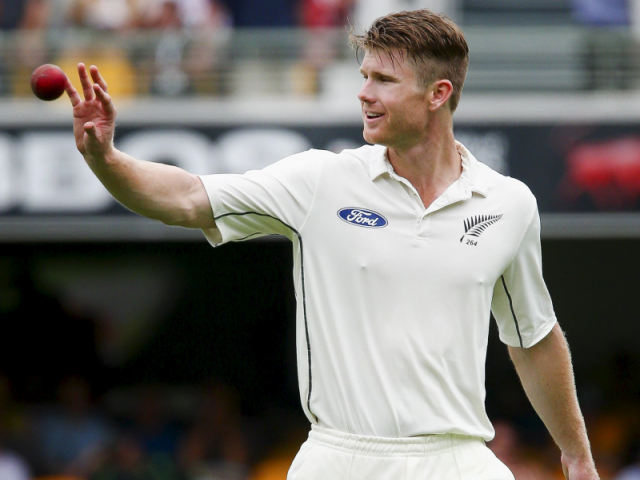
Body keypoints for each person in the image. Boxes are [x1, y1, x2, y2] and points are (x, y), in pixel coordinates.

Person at [64, 9, 600, 480]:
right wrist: (107, 160)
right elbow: (186, 199)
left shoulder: (508, 202)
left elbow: (533, 338)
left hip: (457, 460)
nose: (364, 93)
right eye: (364, 75)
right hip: (340, 458)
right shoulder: (320, 181)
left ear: (438, 94)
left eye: (384, 80)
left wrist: (576, 455)